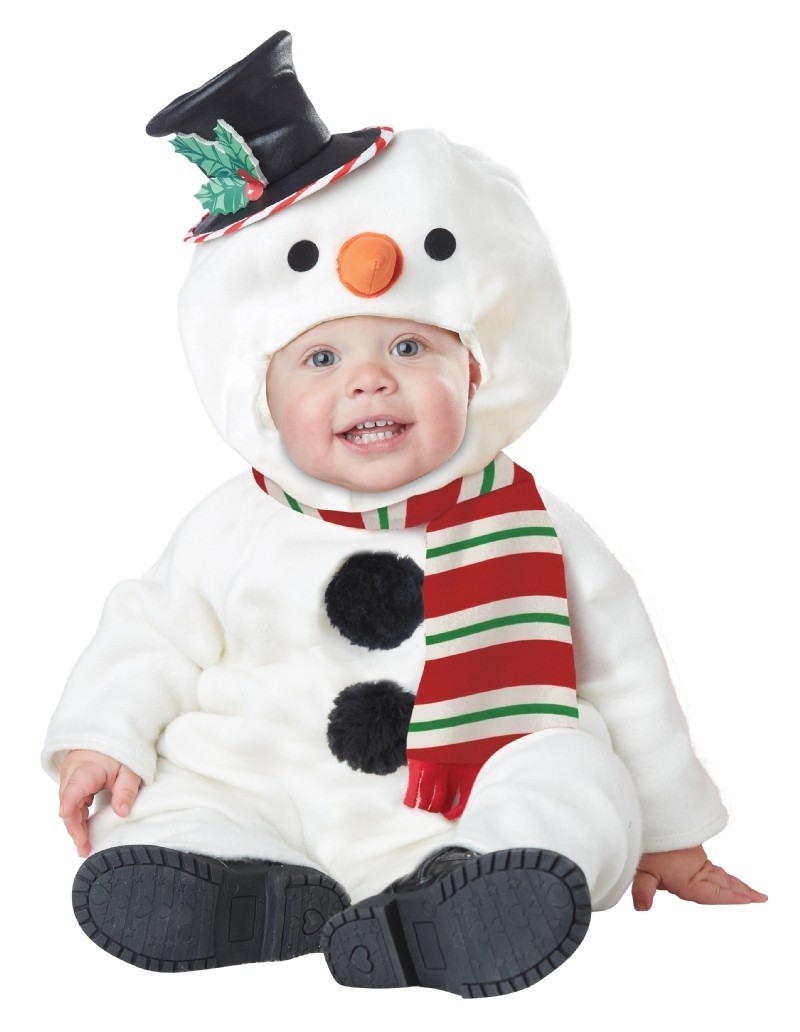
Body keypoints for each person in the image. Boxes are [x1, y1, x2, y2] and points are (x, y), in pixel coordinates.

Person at [43, 31, 766, 997]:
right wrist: (104, 736)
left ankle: (468, 899)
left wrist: (669, 833)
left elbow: (626, 674)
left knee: (571, 778)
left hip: (476, 797)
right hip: (267, 777)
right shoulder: (233, 524)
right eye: (321, 358)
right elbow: (153, 633)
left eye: (412, 349)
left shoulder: (533, 524)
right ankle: (232, 886)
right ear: (259, 398)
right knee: (158, 801)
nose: (371, 380)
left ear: (476, 369)